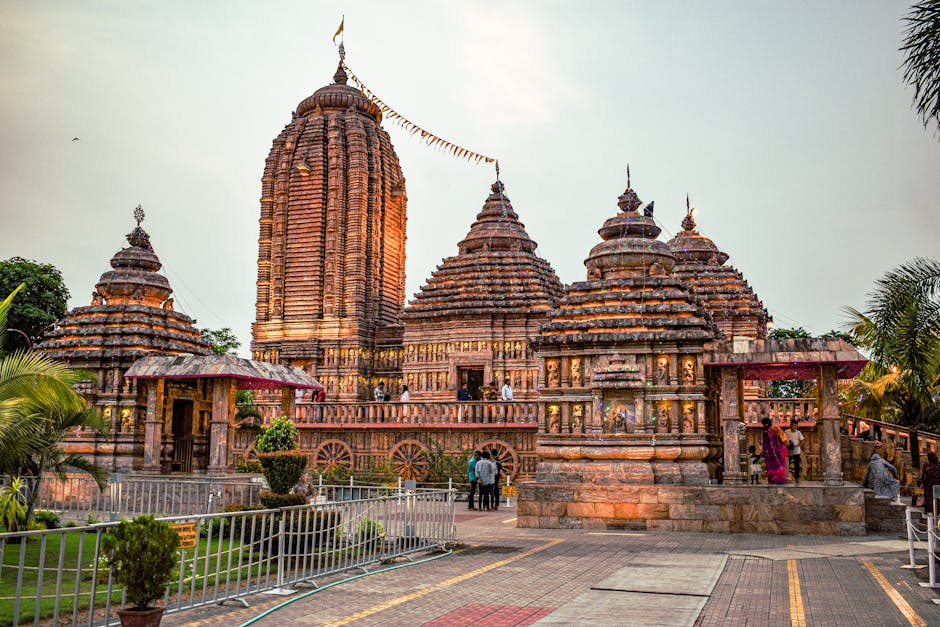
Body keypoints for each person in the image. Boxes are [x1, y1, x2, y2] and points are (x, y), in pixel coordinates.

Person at [761, 417, 789, 484]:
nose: (763, 426)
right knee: (780, 464)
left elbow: (771, 443)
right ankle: (778, 479)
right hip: (780, 450)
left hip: (774, 451)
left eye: (764, 424)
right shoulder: (775, 428)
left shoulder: (769, 431)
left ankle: (776, 479)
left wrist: (769, 451)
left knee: (775, 465)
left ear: (766, 424)